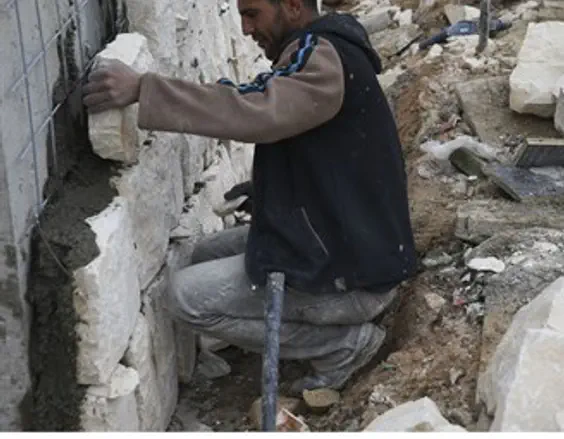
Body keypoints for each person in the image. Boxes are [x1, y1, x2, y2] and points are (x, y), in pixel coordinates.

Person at [82, 0, 417, 394]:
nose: (244, 29)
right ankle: (308, 328)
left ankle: (344, 346)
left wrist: (143, 89)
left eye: (253, 13)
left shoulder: (321, 58)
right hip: (344, 243)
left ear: (292, 6)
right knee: (201, 255)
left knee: (184, 297)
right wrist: (273, 190)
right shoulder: (320, 49)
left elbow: (257, 108)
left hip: (355, 275)